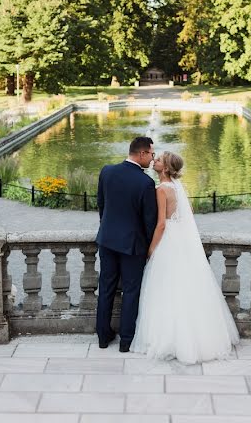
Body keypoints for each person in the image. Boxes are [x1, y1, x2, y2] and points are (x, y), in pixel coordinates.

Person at [131, 151, 240, 363]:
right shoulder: (178, 187)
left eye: (159, 160)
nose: (155, 160)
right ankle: (197, 339)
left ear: (164, 168)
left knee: (166, 288)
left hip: (168, 243)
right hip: (181, 241)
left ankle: (169, 339)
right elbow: (187, 211)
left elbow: (161, 224)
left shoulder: (161, 189)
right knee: (185, 287)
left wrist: (151, 249)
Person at [95, 136, 158, 352]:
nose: (152, 159)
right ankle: (126, 340)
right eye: (151, 154)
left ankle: (103, 337)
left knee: (106, 288)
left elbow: (101, 206)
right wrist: (150, 247)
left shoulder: (107, 171)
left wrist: (107, 230)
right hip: (133, 246)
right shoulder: (146, 183)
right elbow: (149, 221)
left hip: (107, 240)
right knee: (131, 291)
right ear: (141, 154)